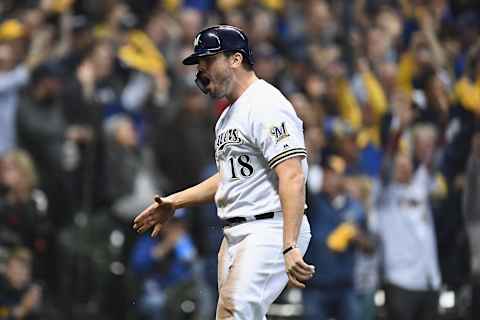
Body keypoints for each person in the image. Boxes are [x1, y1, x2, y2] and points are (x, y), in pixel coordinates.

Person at [133, 25, 314, 319]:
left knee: (234, 311)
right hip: (236, 232)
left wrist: (289, 243)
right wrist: (175, 202)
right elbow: (230, 179)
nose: (201, 71)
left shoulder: (266, 104)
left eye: (208, 60)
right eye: (199, 64)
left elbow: (292, 174)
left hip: (269, 227)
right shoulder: (227, 117)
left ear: (236, 59)